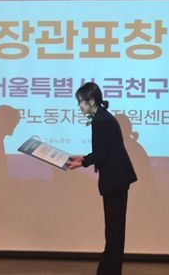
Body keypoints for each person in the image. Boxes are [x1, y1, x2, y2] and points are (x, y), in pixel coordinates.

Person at [68, 82, 137, 275]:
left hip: (115, 180)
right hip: (116, 179)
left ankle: (110, 270)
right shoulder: (102, 117)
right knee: (114, 230)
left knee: (114, 231)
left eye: (81, 102)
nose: (79, 106)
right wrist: (84, 158)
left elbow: (103, 153)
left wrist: (83, 162)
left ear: (91, 101)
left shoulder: (101, 120)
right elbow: (103, 150)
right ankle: (108, 269)